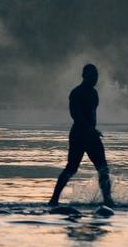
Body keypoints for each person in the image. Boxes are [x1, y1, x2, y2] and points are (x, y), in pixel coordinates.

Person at [48, 63, 115, 207]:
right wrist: (89, 129)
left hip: (91, 136)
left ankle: (108, 200)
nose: (95, 79)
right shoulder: (76, 93)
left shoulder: (94, 93)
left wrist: (92, 130)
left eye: (96, 76)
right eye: (92, 76)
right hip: (79, 135)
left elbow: (92, 114)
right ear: (84, 76)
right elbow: (75, 116)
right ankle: (54, 199)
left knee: (103, 168)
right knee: (71, 168)